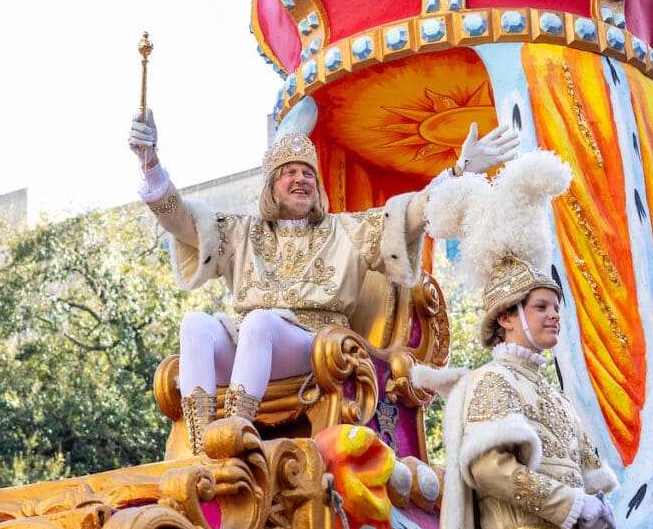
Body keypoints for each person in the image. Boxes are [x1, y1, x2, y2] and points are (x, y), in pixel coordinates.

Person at [128, 112, 519, 455]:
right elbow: (182, 221)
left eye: (308, 173)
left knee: (261, 323)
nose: (301, 179)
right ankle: (202, 448)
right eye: (290, 173)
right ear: (271, 186)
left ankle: (235, 435)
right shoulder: (241, 232)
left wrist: (459, 172)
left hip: (316, 348)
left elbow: (409, 214)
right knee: (195, 324)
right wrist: (151, 164)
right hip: (250, 346)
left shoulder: (345, 230)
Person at [411, 150, 627, 529]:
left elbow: (587, 479)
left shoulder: (559, 399)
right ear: (507, 316)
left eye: (556, 307)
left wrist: (597, 514)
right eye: (542, 306)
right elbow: (490, 469)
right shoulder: (492, 381)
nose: (555, 315)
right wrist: (572, 505)